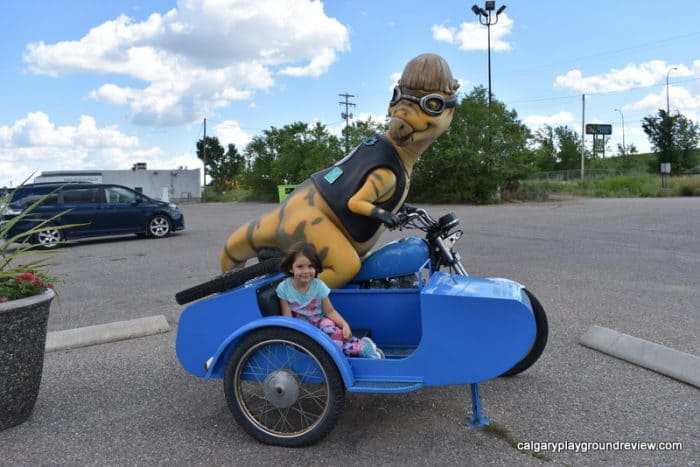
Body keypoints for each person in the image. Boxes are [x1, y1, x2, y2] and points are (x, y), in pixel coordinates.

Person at [276, 242, 384, 359]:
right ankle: (359, 348)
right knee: (317, 345)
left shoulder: (318, 286)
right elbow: (287, 317)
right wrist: (290, 337)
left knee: (333, 333)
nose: (306, 271)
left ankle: (360, 347)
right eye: (300, 266)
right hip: (302, 327)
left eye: (310, 266)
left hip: (320, 321)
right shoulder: (284, 288)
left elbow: (330, 311)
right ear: (291, 269)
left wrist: (344, 324)